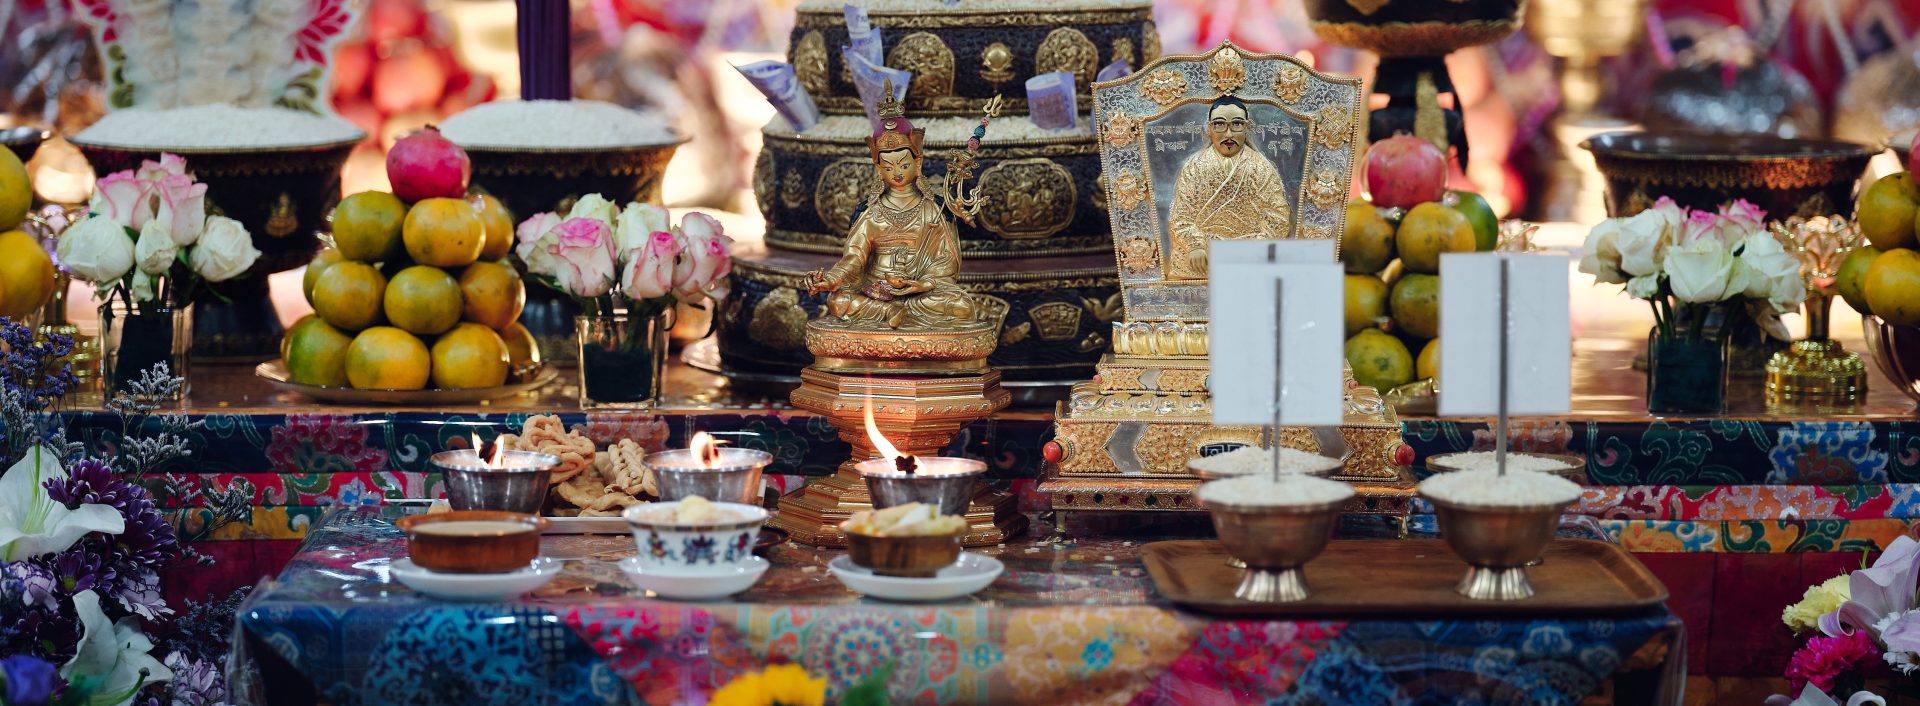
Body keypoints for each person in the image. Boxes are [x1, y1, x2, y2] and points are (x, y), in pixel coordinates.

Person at [804, 90, 976, 329]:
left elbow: (947, 261)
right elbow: (854, 259)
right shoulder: (869, 212)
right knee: (838, 300)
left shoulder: (934, 208)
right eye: (888, 166)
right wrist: (830, 280)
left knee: (962, 305)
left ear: (918, 162)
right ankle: (887, 311)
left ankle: (893, 313)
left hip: (919, 294)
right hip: (875, 291)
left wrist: (922, 285)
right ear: (878, 168)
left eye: (904, 164)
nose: (897, 172)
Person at [1165, 95, 1294, 279]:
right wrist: (1194, 245)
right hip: (1202, 257)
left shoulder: (1260, 167)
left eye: (1237, 124)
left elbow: (1278, 216)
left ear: (1247, 128)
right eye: (1219, 124)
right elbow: (1180, 216)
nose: (1228, 134)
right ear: (1209, 129)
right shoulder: (1195, 166)